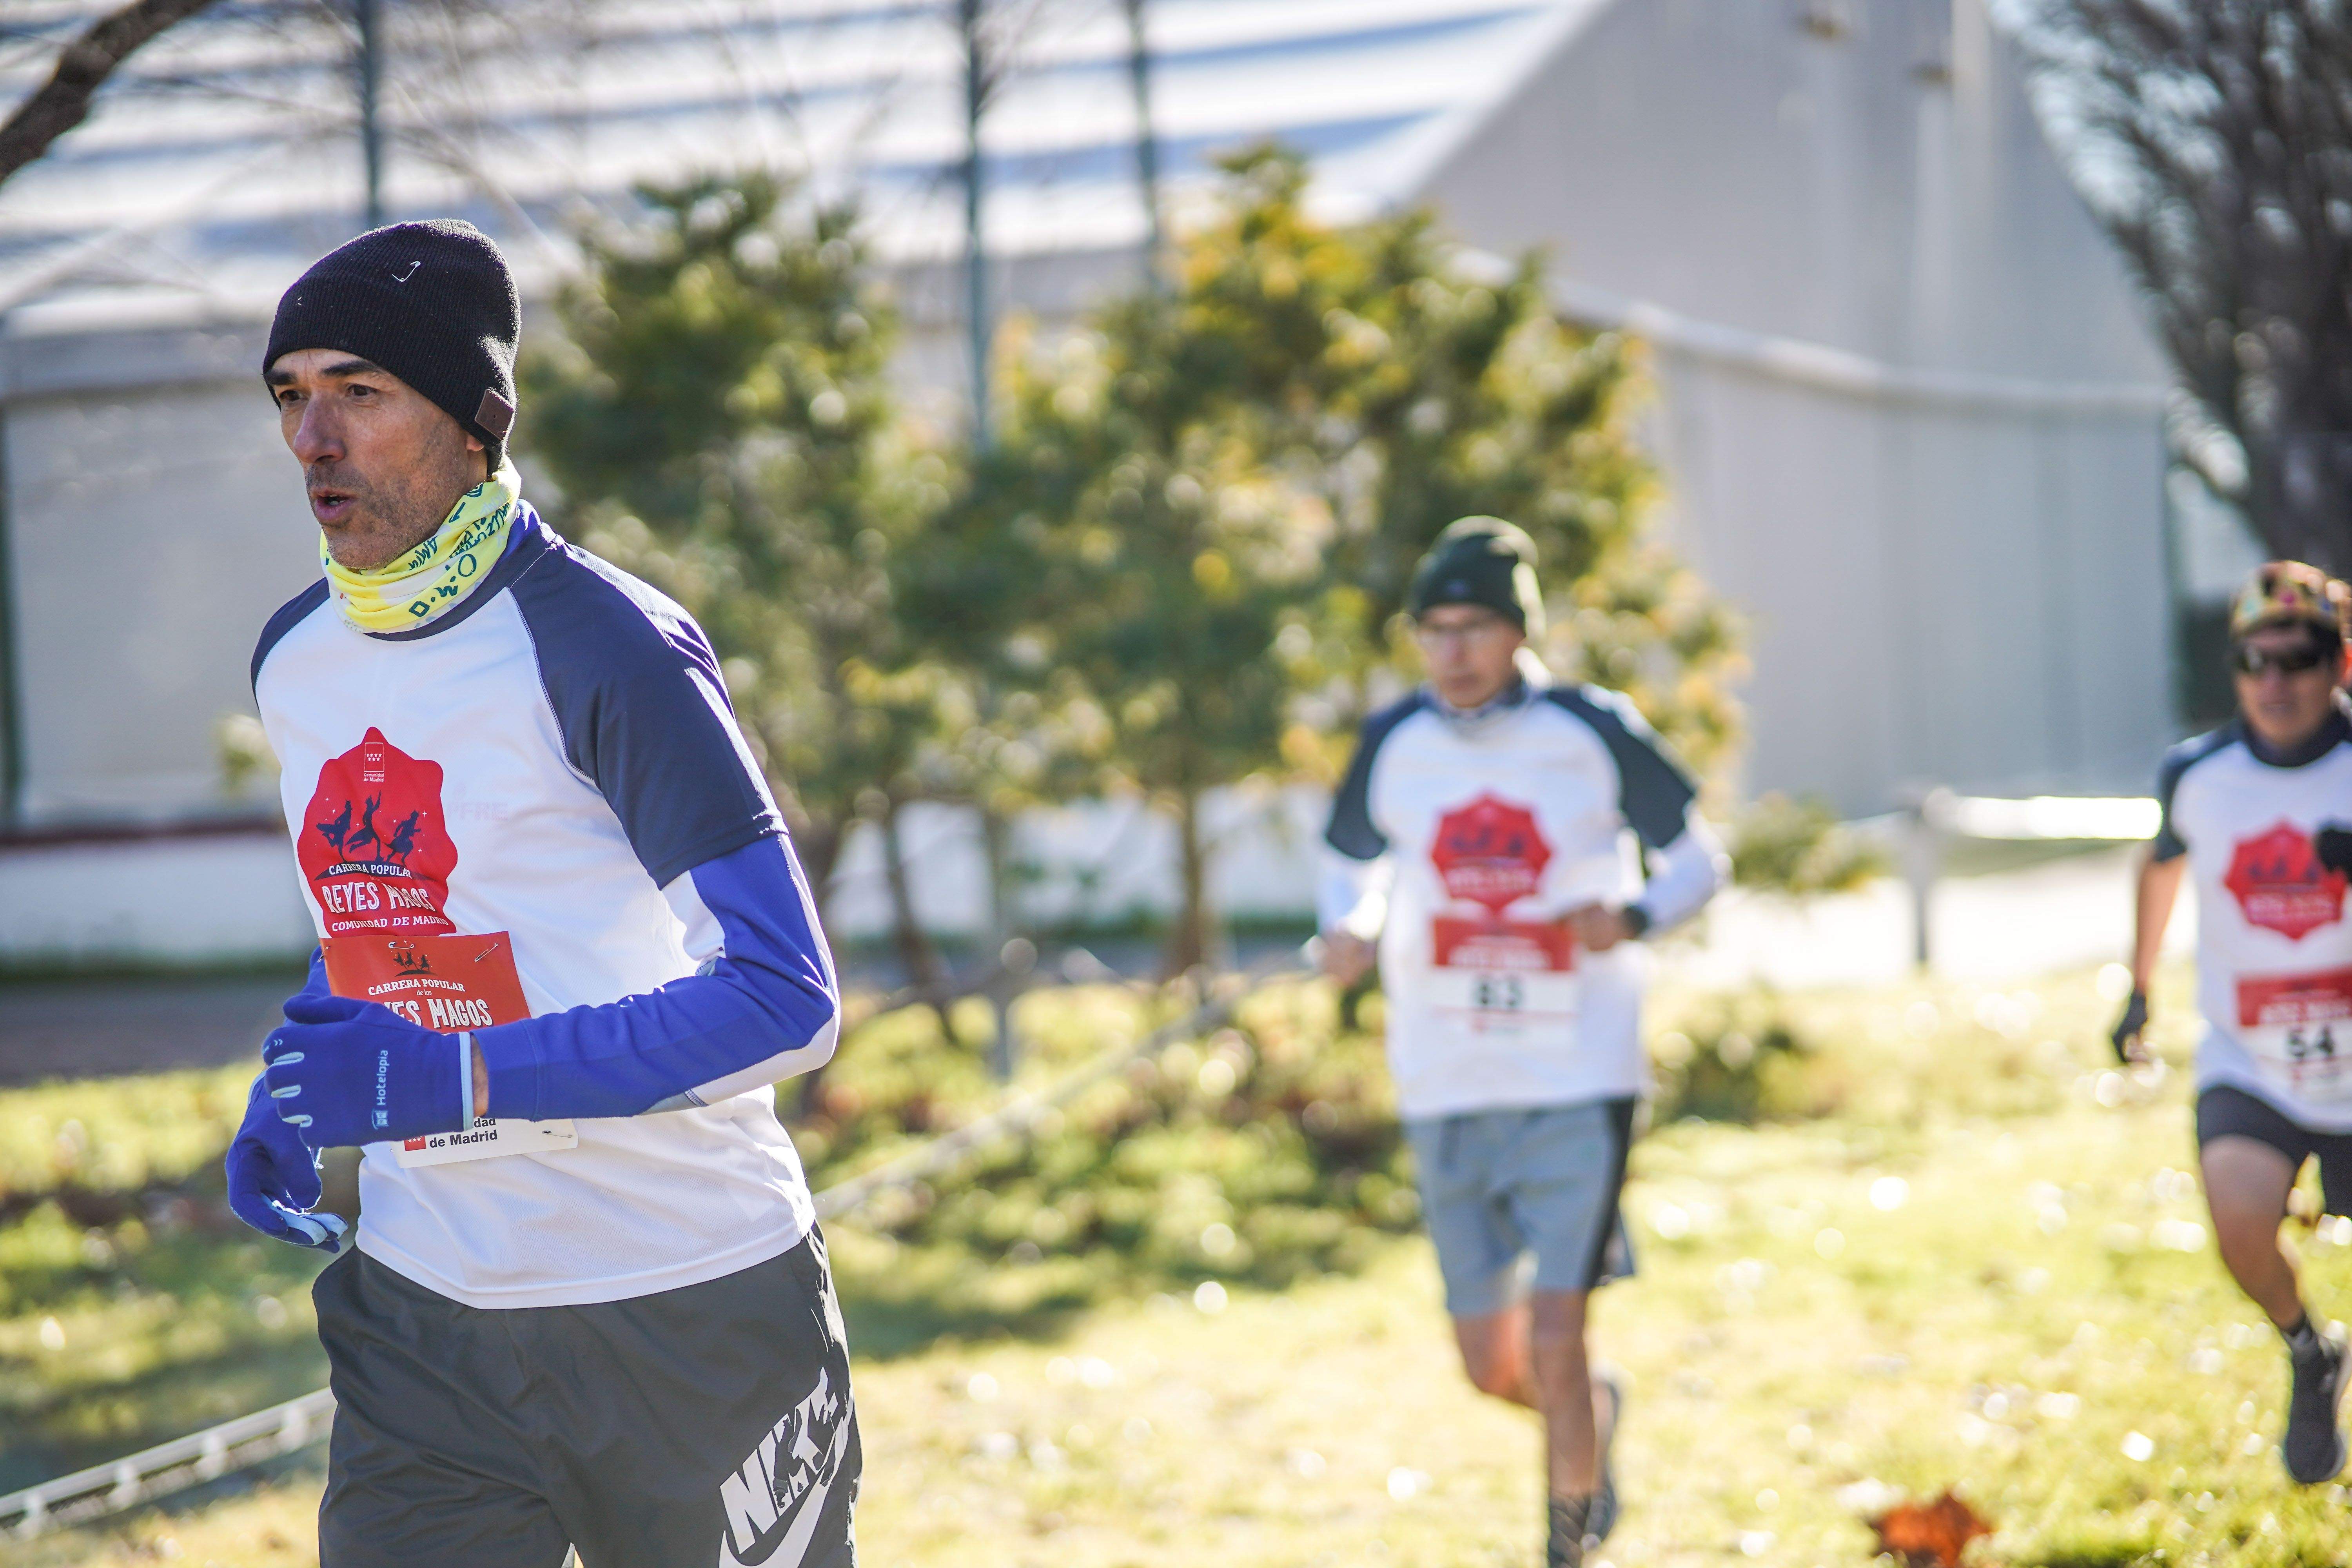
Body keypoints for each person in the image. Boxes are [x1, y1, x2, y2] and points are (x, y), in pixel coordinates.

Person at [220, 220, 858, 1566]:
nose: (313, 439)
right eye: (291, 394)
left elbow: (785, 1000)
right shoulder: (296, 659)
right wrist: (299, 1088)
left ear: (478, 421)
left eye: (360, 391)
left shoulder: (607, 643)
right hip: (426, 1320)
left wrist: (452, 1082)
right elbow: (387, 927)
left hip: (687, 1308)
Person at [1317, 518, 1727, 1568]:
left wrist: (1631, 916)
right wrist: (1352, 927)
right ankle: (1595, 1416)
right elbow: (1349, 864)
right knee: (1490, 1365)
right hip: (1445, 1075)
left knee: (1556, 1333)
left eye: (1475, 627)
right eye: (1435, 629)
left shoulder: (1591, 729)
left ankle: (1566, 1545)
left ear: (1519, 633)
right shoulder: (1394, 741)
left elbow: (1700, 861)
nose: (1453, 650)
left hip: (1579, 1075)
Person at [2115, 560, 2352, 1488]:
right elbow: (2160, 867)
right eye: (2255, 661)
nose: (2275, 681)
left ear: (2338, 663)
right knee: (2240, 1226)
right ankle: (2309, 1349)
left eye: (2297, 658)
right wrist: (2138, 988)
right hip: (2252, 1057)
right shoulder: (2197, 774)